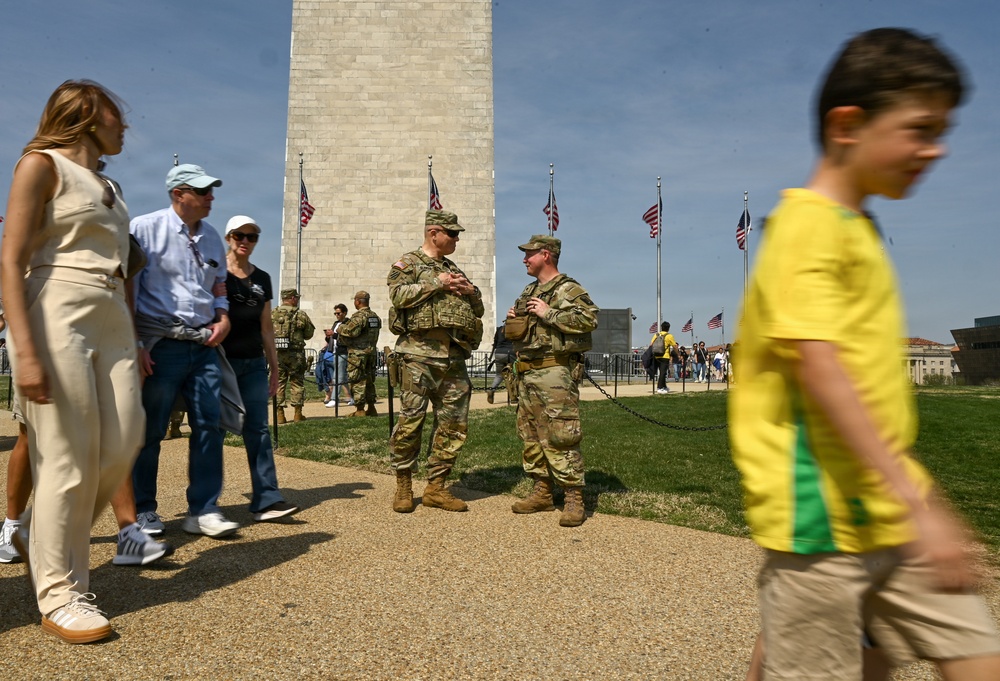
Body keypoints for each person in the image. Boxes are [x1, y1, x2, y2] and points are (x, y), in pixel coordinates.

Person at [730, 28, 1000, 679]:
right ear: (848, 125)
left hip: (887, 505)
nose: (934, 148)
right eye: (920, 128)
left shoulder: (857, 226)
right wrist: (920, 506)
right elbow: (820, 368)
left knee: (979, 657)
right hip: (822, 523)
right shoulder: (804, 227)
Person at [0, 80, 147, 643]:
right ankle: (62, 594)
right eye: (116, 112)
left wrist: (130, 334)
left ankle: (39, 536)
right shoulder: (40, 166)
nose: (124, 123)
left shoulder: (108, 183)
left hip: (110, 311)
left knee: (122, 440)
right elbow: (10, 262)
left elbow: (123, 266)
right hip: (56, 302)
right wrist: (26, 349)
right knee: (67, 456)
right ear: (86, 114)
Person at [131, 162, 239, 540]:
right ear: (179, 194)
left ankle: (203, 508)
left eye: (211, 190)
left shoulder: (210, 235)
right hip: (160, 343)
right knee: (150, 430)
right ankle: (143, 509)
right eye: (203, 191)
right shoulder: (144, 228)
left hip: (203, 343)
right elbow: (127, 288)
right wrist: (136, 343)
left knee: (210, 425)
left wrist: (223, 317)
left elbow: (219, 283)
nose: (211, 197)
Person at [386, 209, 484, 513]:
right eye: (452, 233)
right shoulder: (409, 264)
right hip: (418, 357)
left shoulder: (455, 269)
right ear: (434, 233)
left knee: (454, 424)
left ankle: (437, 487)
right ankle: (404, 484)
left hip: (453, 359)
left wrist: (472, 291)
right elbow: (398, 297)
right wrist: (436, 284)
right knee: (411, 420)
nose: (456, 239)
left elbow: (476, 310)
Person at [507, 235, 598, 527]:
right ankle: (542, 491)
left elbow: (589, 320)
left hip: (555, 371)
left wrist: (550, 313)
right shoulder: (528, 291)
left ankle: (573, 497)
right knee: (530, 434)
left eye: (529, 254)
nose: (524, 259)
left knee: (562, 433)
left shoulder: (568, 289)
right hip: (527, 371)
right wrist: (514, 318)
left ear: (546, 255)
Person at [222, 215, 299, 522]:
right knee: (213, 432)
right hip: (221, 362)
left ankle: (266, 499)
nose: (245, 241)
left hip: (253, 363)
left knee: (258, 430)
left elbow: (266, 327)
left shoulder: (262, 279)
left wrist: (274, 367)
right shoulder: (215, 272)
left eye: (252, 237)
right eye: (239, 235)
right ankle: (204, 505)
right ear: (229, 237)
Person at [271, 288, 315, 423]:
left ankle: (280, 415)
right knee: (297, 383)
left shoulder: (272, 314)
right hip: (296, 354)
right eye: (296, 297)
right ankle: (297, 414)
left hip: (277, 354)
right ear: (292, 298)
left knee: (279, 384)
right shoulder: (300, 314)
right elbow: (309, 334)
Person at [336, 290, 381, 417]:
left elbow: (351, 332)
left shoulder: (359, 316)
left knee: (357, 381)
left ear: (358, 301)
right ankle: (371, 407)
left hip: (358, 354)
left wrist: (340, 328)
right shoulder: (375, 317)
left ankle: (360, 409)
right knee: (370, 380)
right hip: (371, 353)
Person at [324, 303, 354, 408]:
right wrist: (328, 336)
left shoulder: (348, 323)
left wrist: (334, 335)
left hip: (343, 352)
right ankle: (352, 397)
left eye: (338, 313)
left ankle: (334, 398)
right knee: (343, 377)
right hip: (335, 351)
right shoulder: (336, 323)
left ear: (344, 313)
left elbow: (346, 337)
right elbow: (333, 338)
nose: (337, 315)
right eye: (335, 313)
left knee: (337, 376)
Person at [486, 322, 514, 404]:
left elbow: (495, 343)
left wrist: (491, 356)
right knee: (514, 374)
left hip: (499, 353)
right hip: (511, 353)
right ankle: (513, 396)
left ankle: (492, 389)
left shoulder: (499, 329)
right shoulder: (514, 328)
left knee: (499, 375)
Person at [649, 322, 676, 394]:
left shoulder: (656, 335)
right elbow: (674, 346)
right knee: (663, 372)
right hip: (665, 356)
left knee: (662, 373)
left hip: (656, 356)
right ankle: (659, 387)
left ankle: (664, 386)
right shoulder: (669, 336)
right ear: (668, 328)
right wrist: (678, 353)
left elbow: (651, 344)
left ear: (661, 327)